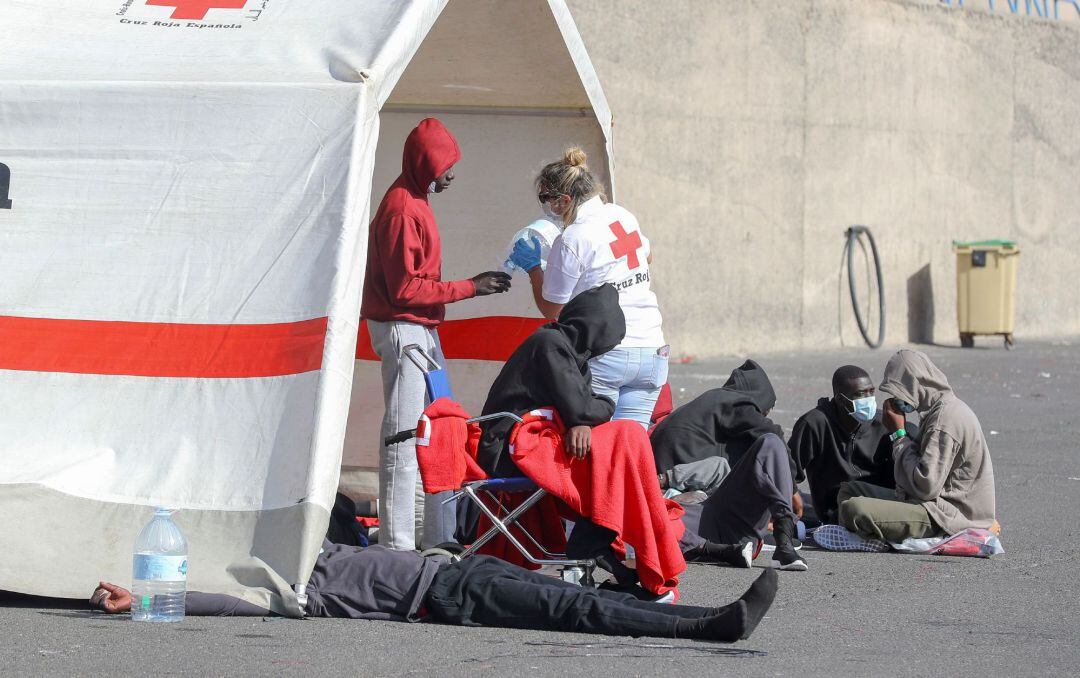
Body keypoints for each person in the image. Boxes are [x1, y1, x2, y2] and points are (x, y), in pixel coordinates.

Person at [89, 542, 778, 642]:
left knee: (589, 595)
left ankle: (708, 616)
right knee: (579, 609)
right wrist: (145, 602)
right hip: (448, 600)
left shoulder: (307, 540)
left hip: (459, 568)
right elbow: (224, 602)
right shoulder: (293, 591)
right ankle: (706, 630)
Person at [361, 118, 512, 550]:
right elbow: (404, 289)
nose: (451, 174)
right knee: (405, 436)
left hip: (421, 331)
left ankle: (432, 537)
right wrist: (470, 287)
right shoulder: (402, 210)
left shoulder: (415, 201)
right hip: (404, 330)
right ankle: (396, 545)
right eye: (445, 166)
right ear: (426, 164)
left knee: (435, 431)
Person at [476, 283, 659, 590]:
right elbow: (585, 406)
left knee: (613, 461)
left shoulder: (566, 349)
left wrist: (581, 417)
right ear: (594, 331)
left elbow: (581, 406)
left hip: (529, 438)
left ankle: (594, 545)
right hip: (508, 448)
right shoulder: (550, 344)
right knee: (611, 463)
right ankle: (590, 547)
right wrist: (588, 413)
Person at [508, 147, 667, 430]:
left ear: (564, 200)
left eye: (546, 198)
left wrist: (534, 268)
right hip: (652, 350)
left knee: (599, 448)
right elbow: (647, 257)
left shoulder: (573, 237)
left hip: (607, 354)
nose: (545, 205)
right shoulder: (622, 215)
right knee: (631, 448)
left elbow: (552, 309)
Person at [650, 361, 807, 571]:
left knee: (764, 451)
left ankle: (783, 539)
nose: (763, 416)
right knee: (765, 446)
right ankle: (722, 549)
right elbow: (770, 434)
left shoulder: (714, 408)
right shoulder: (733, 402)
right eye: (765, 411)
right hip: (690, 511)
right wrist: (793, 489)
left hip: (714, 510)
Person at [837, 350, 997, 543]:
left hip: (946, 516)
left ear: (915, 384)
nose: (896, 399)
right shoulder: (937, 411)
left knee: (854, 509)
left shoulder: (945, 420)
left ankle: (875, 536)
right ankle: (873, 531)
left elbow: (925, 486)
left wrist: (898, 434)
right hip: (929, 504)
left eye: (899, 392)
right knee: (849, 491)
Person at [788, 365, 909, 525]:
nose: (868, 399)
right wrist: (792, 495)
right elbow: (788, 469)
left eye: (871, 392)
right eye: (860, 394)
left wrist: (899, 432)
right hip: (835, 511)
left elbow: (909, 466)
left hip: (881, 505)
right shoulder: (815, 423)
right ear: (840, 399)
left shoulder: (884, 423)